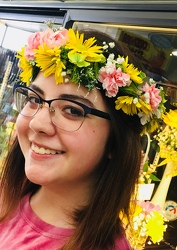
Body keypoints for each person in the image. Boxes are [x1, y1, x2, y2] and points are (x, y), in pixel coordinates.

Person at [0, 25, 166, 250]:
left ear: (115, 143)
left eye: (73, 110)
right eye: (34, 99)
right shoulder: (8, 192)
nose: (37, 123)